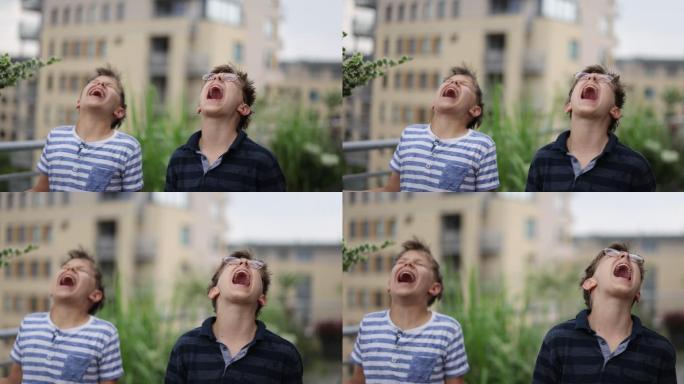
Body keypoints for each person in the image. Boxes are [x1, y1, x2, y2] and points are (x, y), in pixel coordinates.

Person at [533, 243, 677, 383]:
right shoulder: (558, 340)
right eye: (611, 254)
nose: (625, 256)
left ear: (638, 293)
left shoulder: (660, 351)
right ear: (589, 283)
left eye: (634, 259)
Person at [165, 250, 303, 383]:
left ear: (262, 298)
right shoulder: (185, 347)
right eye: (232, 262)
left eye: (254, 265)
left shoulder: (285, 355)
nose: (244, 263)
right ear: (213, 291)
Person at [348, 239, 469, 384]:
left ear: (434, 288)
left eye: (418, 263)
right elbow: (357, 380)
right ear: (389, 285)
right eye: (401, 262)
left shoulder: (448, 330)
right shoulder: (369, 324)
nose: (408, 264)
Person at [2, 249, 124, 384]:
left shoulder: (105, 334)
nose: (70, 269)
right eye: (65, 267)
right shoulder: (29, 324)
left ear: (95, 295)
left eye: (80, 269)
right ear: (52, 290)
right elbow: (13, 381)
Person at [526, 65, 655, 191]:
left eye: (603, 80)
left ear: (615, 111)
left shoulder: (636, 167)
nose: (592, 77)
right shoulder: (543, 159)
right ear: (568, 105)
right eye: (584, 77)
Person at [376, 65, 499, 192]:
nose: (454, 82)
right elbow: (391, 190)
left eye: (463, 84)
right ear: (434, 104)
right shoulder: (409, 134)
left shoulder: (482, 146)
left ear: (475, 110)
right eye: (448, 81)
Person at [164, 64, 286, 191]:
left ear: (243, 108)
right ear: (199, 106)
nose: (217, 78)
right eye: (210, 77)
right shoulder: (179, 159)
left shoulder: (263, 162)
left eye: (229, 78)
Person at [31, 66, 143, 192]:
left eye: (109, 85)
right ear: (78, 103)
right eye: (94, 82)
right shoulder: (55, 136)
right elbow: (41, 189)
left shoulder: (128, 147)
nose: (100, 84)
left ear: (119, 111)